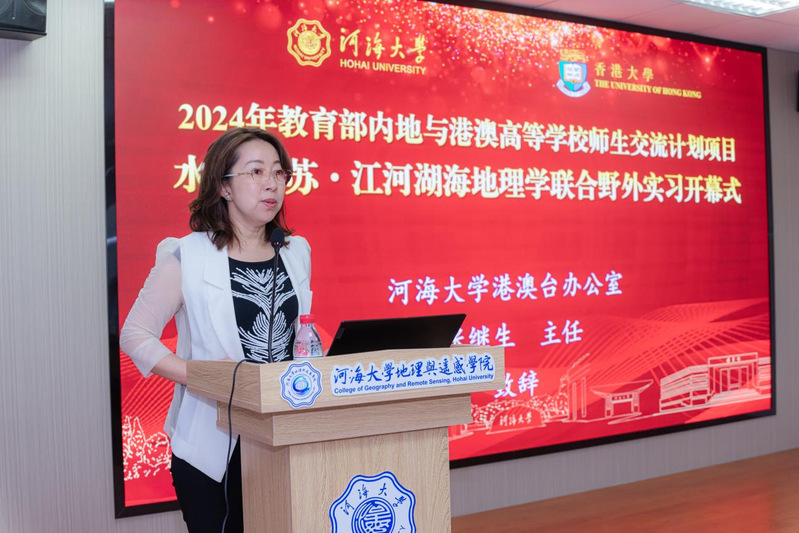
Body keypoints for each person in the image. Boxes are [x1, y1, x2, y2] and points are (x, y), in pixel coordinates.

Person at [120, 128, 312, 532]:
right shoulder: (188, 255)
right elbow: (135, 334)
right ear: (223, 187)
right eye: (256, 172)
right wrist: (203, 376)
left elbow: (298, 335)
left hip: (283, 437)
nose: (272, 184)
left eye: (279, 172)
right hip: (212, 447)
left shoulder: (295, 251)